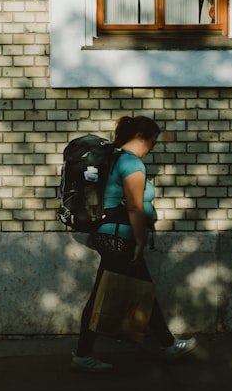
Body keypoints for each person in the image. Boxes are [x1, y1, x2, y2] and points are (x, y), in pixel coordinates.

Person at [71, 115, 197, 373]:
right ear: (142, 138)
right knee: (124, 291)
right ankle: (167, 345)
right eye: (153, 142)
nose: (152, 148)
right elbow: (135, 208)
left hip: (107, 234)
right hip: (121, 236)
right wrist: (140, 242)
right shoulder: (131, 164)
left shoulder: (110, 158)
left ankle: (168, 344)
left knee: (130, 289)